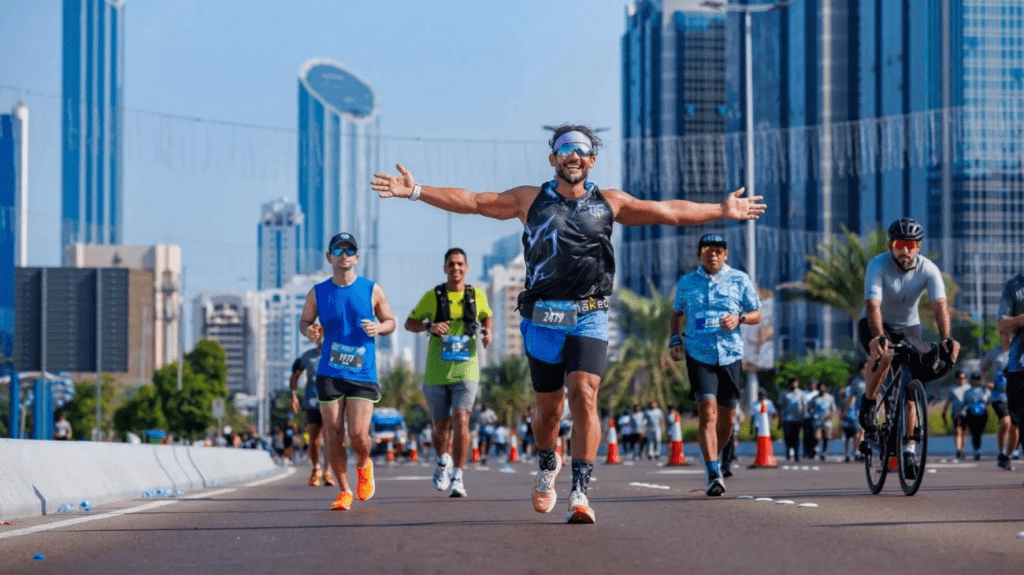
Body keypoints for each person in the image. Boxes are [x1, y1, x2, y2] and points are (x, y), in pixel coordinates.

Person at [372, 124, 765, 523]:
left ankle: (580, 489)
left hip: (590, 313)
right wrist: (417, 191)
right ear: (553, 159)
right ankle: (547, 464)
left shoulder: (610, 202)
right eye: (565, 149)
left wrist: (720, 209)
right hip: (542, 315)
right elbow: (474, 200)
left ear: (592, 160)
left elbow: (667, 211)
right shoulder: (530, 200)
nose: (573, 155)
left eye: (581, 149)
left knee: (584, 393)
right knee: (548, 411)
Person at [298, 232, 397, 511]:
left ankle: (364, 463)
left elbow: (390, 320)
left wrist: (379, 328)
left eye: (349, 250)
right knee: (332, 431)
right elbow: (304, 321)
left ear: (357, 257)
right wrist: (310, 330)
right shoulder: (318, 292)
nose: (343, 255)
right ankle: (344, 491)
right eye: (338, 250)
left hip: (362, 372)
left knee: (358, 434)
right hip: (329, 371)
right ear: (329, 257)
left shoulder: (371, 289)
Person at [858, 217, 960, 477]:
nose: (905, 250)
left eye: (911, 245)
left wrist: (947, 337)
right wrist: (879, 336)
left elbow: (939, 305)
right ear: (890, 245)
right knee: (885, 355)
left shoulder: (929, 269)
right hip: (875, 323)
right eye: (900, 244)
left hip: (909, 328)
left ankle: (909, 451)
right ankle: (869, 403)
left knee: (911, 388)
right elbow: (873, 305)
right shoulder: (877, 265)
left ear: (919, 247)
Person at [670, 232, 762, 496]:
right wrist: (675, 338)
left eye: (719, 249)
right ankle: (712, 471)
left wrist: (740, 318)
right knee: (707, 411)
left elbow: (757, 313)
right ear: (700, 253)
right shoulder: (687, 282)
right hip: (699, 353)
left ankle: (715, 455)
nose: (713, 253)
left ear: (726, 254)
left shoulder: (739, 279)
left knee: (727, 419)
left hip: (731, 354)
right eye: (708, 249)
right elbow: (676, 313)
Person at [405, 247, 493, 498]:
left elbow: (487, 317)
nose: (456, 268)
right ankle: (443, 462)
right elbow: (409, 323)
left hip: (466, 369)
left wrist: (488, 332)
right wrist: (428, 326)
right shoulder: (432, 296)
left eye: (460, 264)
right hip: (436, 372)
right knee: (440, 427)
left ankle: (458, 477)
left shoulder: (477, 295)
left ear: (466, 268)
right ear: (445, 268)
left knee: (462, 419)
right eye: (451, 264)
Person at [290, 334, 334, 487]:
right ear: (316, 339)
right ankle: (316, 469)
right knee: (314, 439)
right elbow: (294, 375)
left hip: (332, 401)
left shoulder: (338, 355)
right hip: (313, 403)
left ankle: (328, 472)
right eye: (320, 337)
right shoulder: (307, 357)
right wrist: (294, 396)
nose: (323, 340)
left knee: (329, 437)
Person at [997, 270, 1024, 478]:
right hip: (1018, 364)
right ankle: (1005, 454)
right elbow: (1002, 324)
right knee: (1016, 416)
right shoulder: (1013, 286)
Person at [981, 345, 1017, 470]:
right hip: (998, 395)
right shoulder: (993, 352)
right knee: (1006, 421)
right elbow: (983, 368)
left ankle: (1007, 456)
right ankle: (1002, 452)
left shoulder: (1018, 349)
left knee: (1015, 426)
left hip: (1015, 393)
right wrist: (986, 382)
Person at [941, 370, 970, 460]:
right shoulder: (952, 389)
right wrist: (944, 412)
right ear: (957, 379)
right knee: (958, 431)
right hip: (956, 413)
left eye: (963, 378)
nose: (962, 380)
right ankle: (958, 450)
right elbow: (948, 401)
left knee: (963, 433)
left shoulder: (968, 388)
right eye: (960, 378)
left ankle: (962, 450)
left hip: (966, 413)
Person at [961, 373, 990, 461]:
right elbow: (964, 403)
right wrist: (960, 412)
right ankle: (976, 449)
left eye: (978, 380)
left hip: (981, 413)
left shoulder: (984, 390)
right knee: (974, 432)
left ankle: (977, 447)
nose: (976, 382)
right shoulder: (968, 392)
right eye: (974, 380)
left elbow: (988, 401)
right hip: (971, 413)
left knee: (979, 431)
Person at [778, 378, 806, 462]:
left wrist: (804, 415)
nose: (794, 384)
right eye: (792, 383)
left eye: (795, 383)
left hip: (797, 419)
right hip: (787, 419)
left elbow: (804, 405)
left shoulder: (801, 393)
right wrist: (780, 418)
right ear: (790, 384)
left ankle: (796, 454)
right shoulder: (784, 393)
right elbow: (780, 405)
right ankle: (788, 452)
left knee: (796, 437)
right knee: (788, 436)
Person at [809, 382, 836, 460]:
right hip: (817, 420)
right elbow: (809, 408)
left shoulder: (830, 398)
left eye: (823, 387)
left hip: (826, 421)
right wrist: (813, 415)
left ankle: (823, 452)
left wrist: (830, 415)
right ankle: (816, 448)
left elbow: (833, 409)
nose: (822, 389)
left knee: (826, 437)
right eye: (820, 388)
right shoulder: (815, 399)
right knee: (817, 436)